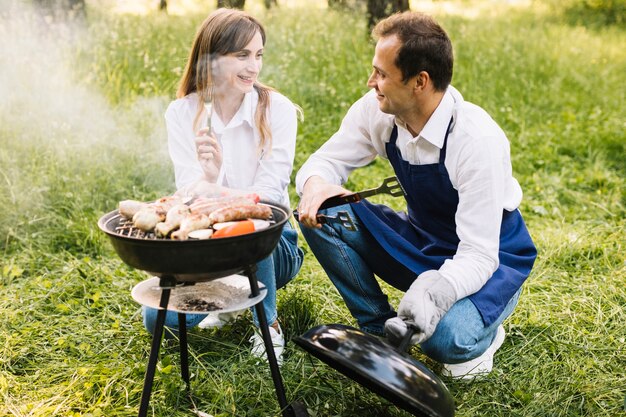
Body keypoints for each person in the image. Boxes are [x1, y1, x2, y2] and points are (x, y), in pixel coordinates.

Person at [296, 11, 536, 379]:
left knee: (443, 341)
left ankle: (484, 332)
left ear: (419, 82)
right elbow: (325, 160)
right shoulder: (379, 111)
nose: (370, 81)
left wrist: (437, 290)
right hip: (424, 240)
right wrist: (316, 186)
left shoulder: (476, 141)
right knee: (323, 211)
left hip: (490, 258)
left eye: (382, 74)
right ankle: (378, 330)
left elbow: (478, 254)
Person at [142, 8, 304, 365]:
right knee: (159, 320)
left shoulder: (276, 109)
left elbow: (271, 200)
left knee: (252, 230)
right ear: (211, 60)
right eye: (242, 55)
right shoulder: (182, 113)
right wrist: (210, 179)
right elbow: (187, 192)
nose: (254, 66)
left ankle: (269, 325)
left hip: (273, 249)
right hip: (208, 245)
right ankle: (230, 297)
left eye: (258, 55)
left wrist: (215, 195)